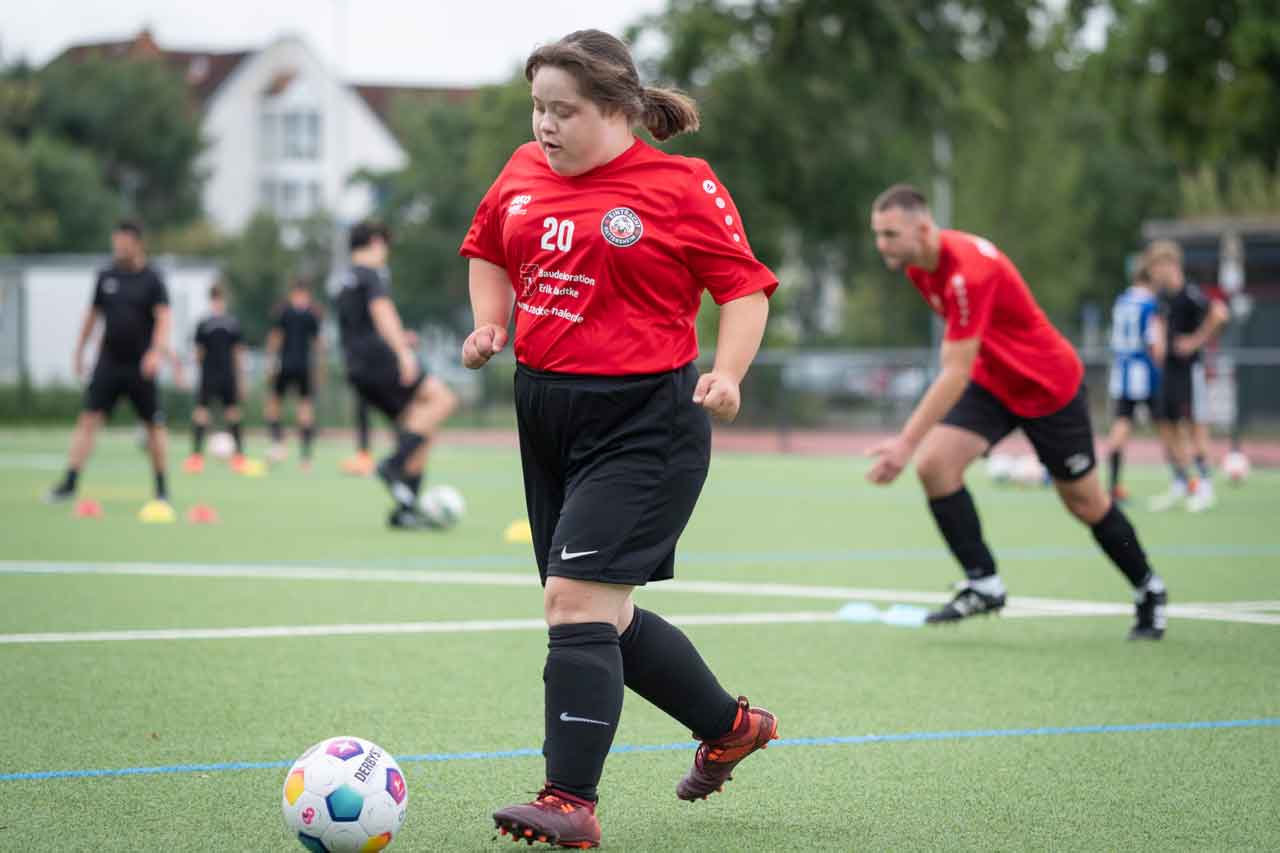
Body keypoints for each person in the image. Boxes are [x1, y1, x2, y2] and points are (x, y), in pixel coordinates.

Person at [460, 29, 779, 850]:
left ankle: (570, 799)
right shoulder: (522, 174)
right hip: (547, 414)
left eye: (563, 110)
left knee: (572, 603)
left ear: (615, 109)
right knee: (601, 614)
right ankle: (731, 725)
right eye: (537, 108)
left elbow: (743, 290)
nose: (545, 126)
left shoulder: (680, 185)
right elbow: (489, 248)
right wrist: (489, 323)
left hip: (648, 422)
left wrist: (730, 371)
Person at [867, 184, 1167, 641]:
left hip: (1048, 387)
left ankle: (1149, 588)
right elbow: (969, 357)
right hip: (995, 382)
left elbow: (954, 371)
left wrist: (904, 442)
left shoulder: (968, 271)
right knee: (936, 466)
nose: (881, 245)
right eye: (878, 234)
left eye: (889, 234)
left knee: (1085, 503)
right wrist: (916, 448)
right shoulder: (919, 270)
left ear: (924, 229)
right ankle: (983, 582)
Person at [336, 221, 458, 528]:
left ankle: (406, 508)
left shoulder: (345, 279)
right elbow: (382, 312)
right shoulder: (371, 274)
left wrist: (401, 338)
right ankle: (392, 466)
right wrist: (403, 352)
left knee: (420, 428)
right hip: (380, 361)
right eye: (385, 245)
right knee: (443, 400)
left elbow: (360, 327)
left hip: (357, 368)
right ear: (375, 242)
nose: (386, 252)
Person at [46, 219, 173, 506]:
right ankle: (69, 483)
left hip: (141, 365)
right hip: (109, 362)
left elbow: (165, 319)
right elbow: (92, 316)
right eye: (116, 242)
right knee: (88, 420)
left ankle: (162, 488)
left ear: (137, 243)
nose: (118, 248)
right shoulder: (105, 276)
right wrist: (79, 352)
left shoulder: (153, 279)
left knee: (153, 426)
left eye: (124, 243)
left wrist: (156, 352)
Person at [1144, 240, 1230, 513]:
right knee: (1166, 426)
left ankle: (1205, 486)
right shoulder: (1163, 297)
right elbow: (1158, 323)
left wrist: (1196, 340)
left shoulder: (1190, 293)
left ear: (1169, 265)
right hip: (1167, 371)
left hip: (1189, 371)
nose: (1154, 274)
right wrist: (1157, 344)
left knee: (1194, 426)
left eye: (1156, 268)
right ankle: (1181, 482)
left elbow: (1220, 313)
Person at [1103, 265, 1164, 502]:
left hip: (1122, 370)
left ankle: (1113, 485)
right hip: (1144, 371)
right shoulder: (1150, 304)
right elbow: (1154, 344)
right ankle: (1186, 480)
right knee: (1166, 426)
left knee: (1121, 425)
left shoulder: (1121, 302)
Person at [184, 283, 247, 473]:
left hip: (228, 375)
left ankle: (238, 457)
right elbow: (199, 352)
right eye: (216, 300)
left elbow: (237, 352)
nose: (218, 303)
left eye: (220, 300)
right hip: (209, 375)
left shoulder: (232, 323)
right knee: (201, 413)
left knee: (232, 412)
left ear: (224, 300)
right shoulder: (204, 323)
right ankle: (196, 457)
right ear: (212, 301)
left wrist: (241, 378)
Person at [265, 279, 324, 469]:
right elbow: (318, 344)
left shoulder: (286, 312)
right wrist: (320, 367)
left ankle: (282, 446)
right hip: (297, 366)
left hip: (291, 366)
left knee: (291, 407)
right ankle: (301, 457)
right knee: (293, 407)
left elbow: (275, 338)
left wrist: (270, 361)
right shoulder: (309, 314)